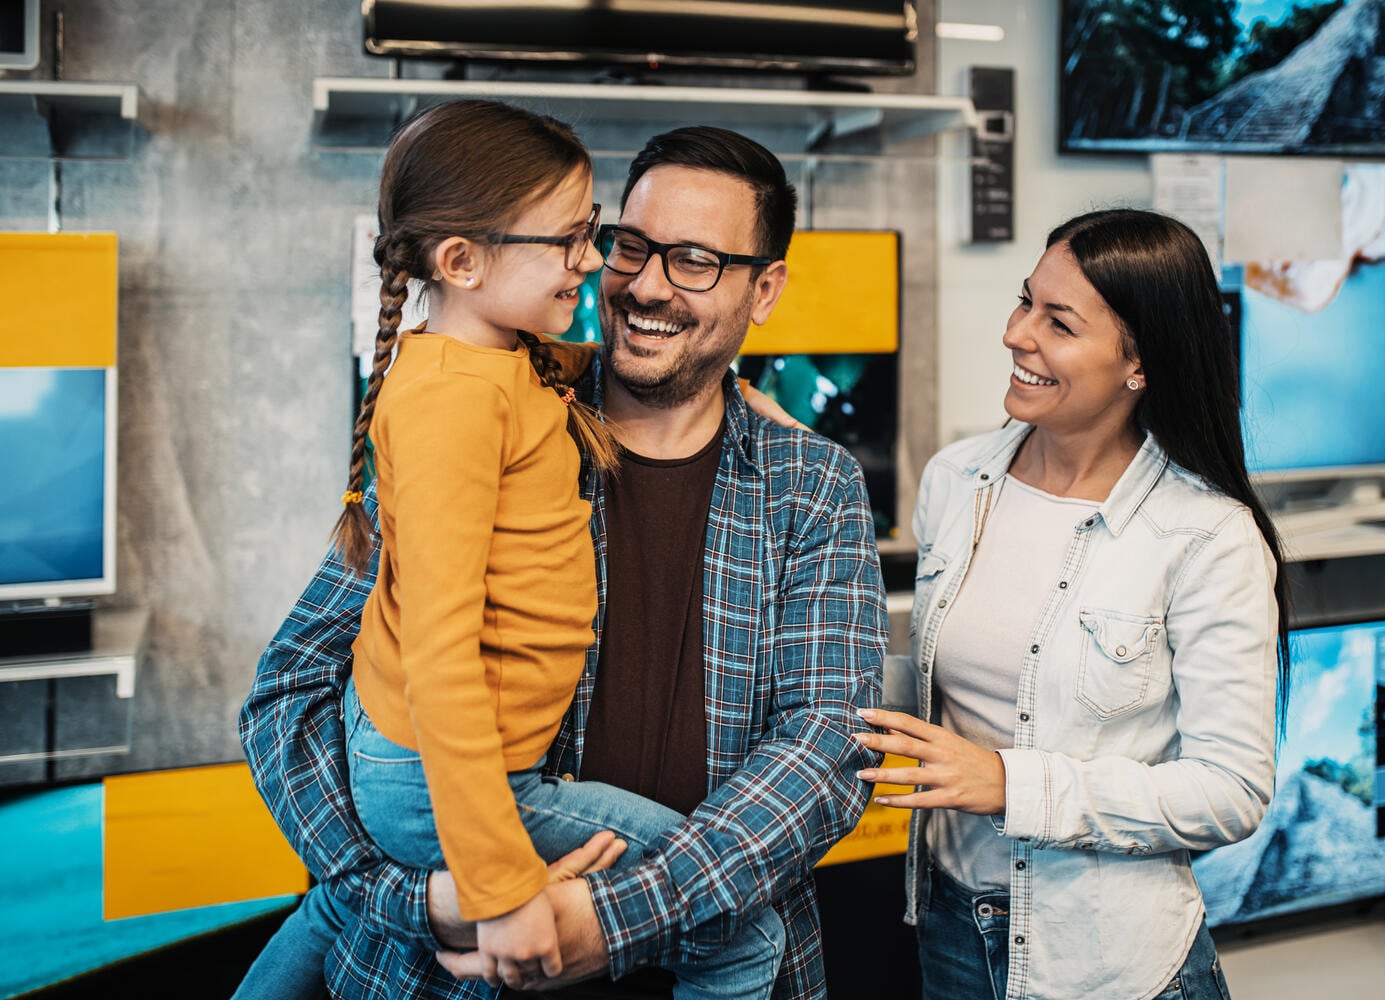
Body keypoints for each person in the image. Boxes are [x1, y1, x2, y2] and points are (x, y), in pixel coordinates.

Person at [238, 121, 888, 1000]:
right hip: (450, 971)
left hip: (704, 946)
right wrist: (407, 896)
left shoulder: (809, 483)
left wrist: (608, 920)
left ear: (764, 288)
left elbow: (825, 752)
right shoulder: (492, 422)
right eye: (628, 245)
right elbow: (288, 694)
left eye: (694, 260)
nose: (643, 284)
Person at [858, 208, 1290, 999]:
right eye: (1026, 301)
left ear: (1141, 364)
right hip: (951, 928)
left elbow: (1230, 791)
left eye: (1058, 322)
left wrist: (1013, 783)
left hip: (1110, 964)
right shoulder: (958, 480)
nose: (1017, 333)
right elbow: (949, 691)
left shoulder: (1206, 536)